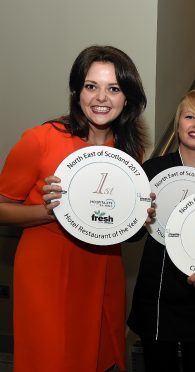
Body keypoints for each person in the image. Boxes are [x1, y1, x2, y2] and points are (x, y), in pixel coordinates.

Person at [0, 45, 153, 371]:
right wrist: (51, 210)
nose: (101, 97)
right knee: (50, 357)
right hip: (47, 272)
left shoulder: (129, 150)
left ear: (127, 97)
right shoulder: (40, 139)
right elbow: (2, 209)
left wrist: (138, 218)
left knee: (99, 357)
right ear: (77, 91)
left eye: (113, 88)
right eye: (91, 86)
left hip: (102, 270)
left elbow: (115, 223)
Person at [127, 90, 195, 371]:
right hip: (158, 298)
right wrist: (139, 217)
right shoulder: (153, 170)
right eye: (190, 117)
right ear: (178, 124)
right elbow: (134, 236)